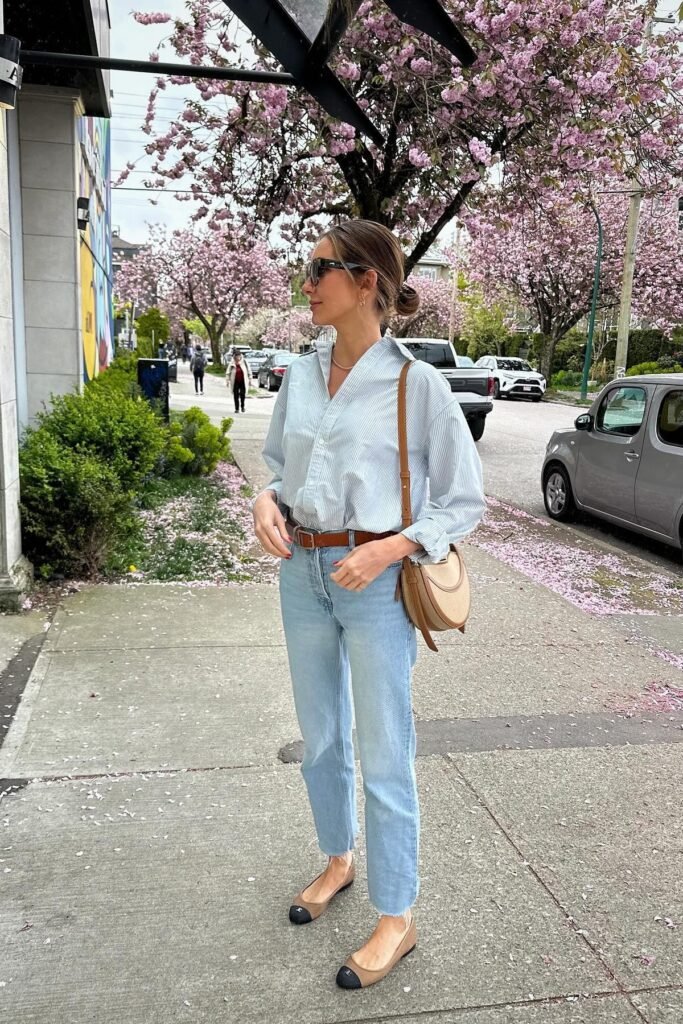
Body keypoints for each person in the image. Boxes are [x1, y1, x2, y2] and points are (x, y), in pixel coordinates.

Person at [252, 220, 485, 990]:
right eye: (306, 267)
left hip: (377, 583)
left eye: (320, 268)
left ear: (366, 282)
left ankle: (397, 914)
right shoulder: (302, 373)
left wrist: (392, 547)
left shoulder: (415, 385)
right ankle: (337, 859)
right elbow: (281, 471)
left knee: (386, 752)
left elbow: (463, 501)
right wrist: (264, 502)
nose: (306, 281)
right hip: (304, 576)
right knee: (321, 739)